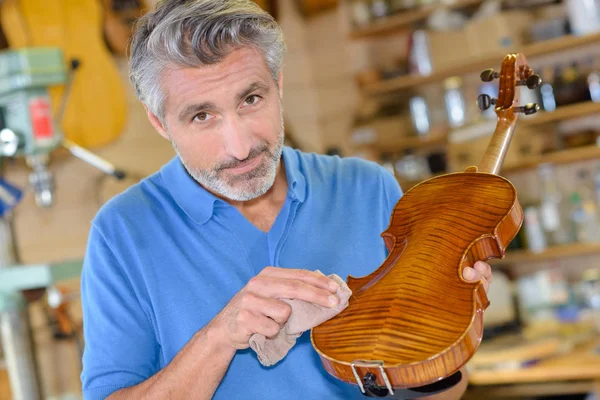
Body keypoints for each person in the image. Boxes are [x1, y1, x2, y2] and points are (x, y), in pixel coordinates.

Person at [79, 0, 494, 399]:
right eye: (201, 116)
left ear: (278, 84)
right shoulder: (122, 232)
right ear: (160, 123)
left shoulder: (367, 189)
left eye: (251, 99)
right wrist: (220, 336)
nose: (239, 147)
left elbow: (438, 394)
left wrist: (449, 331)